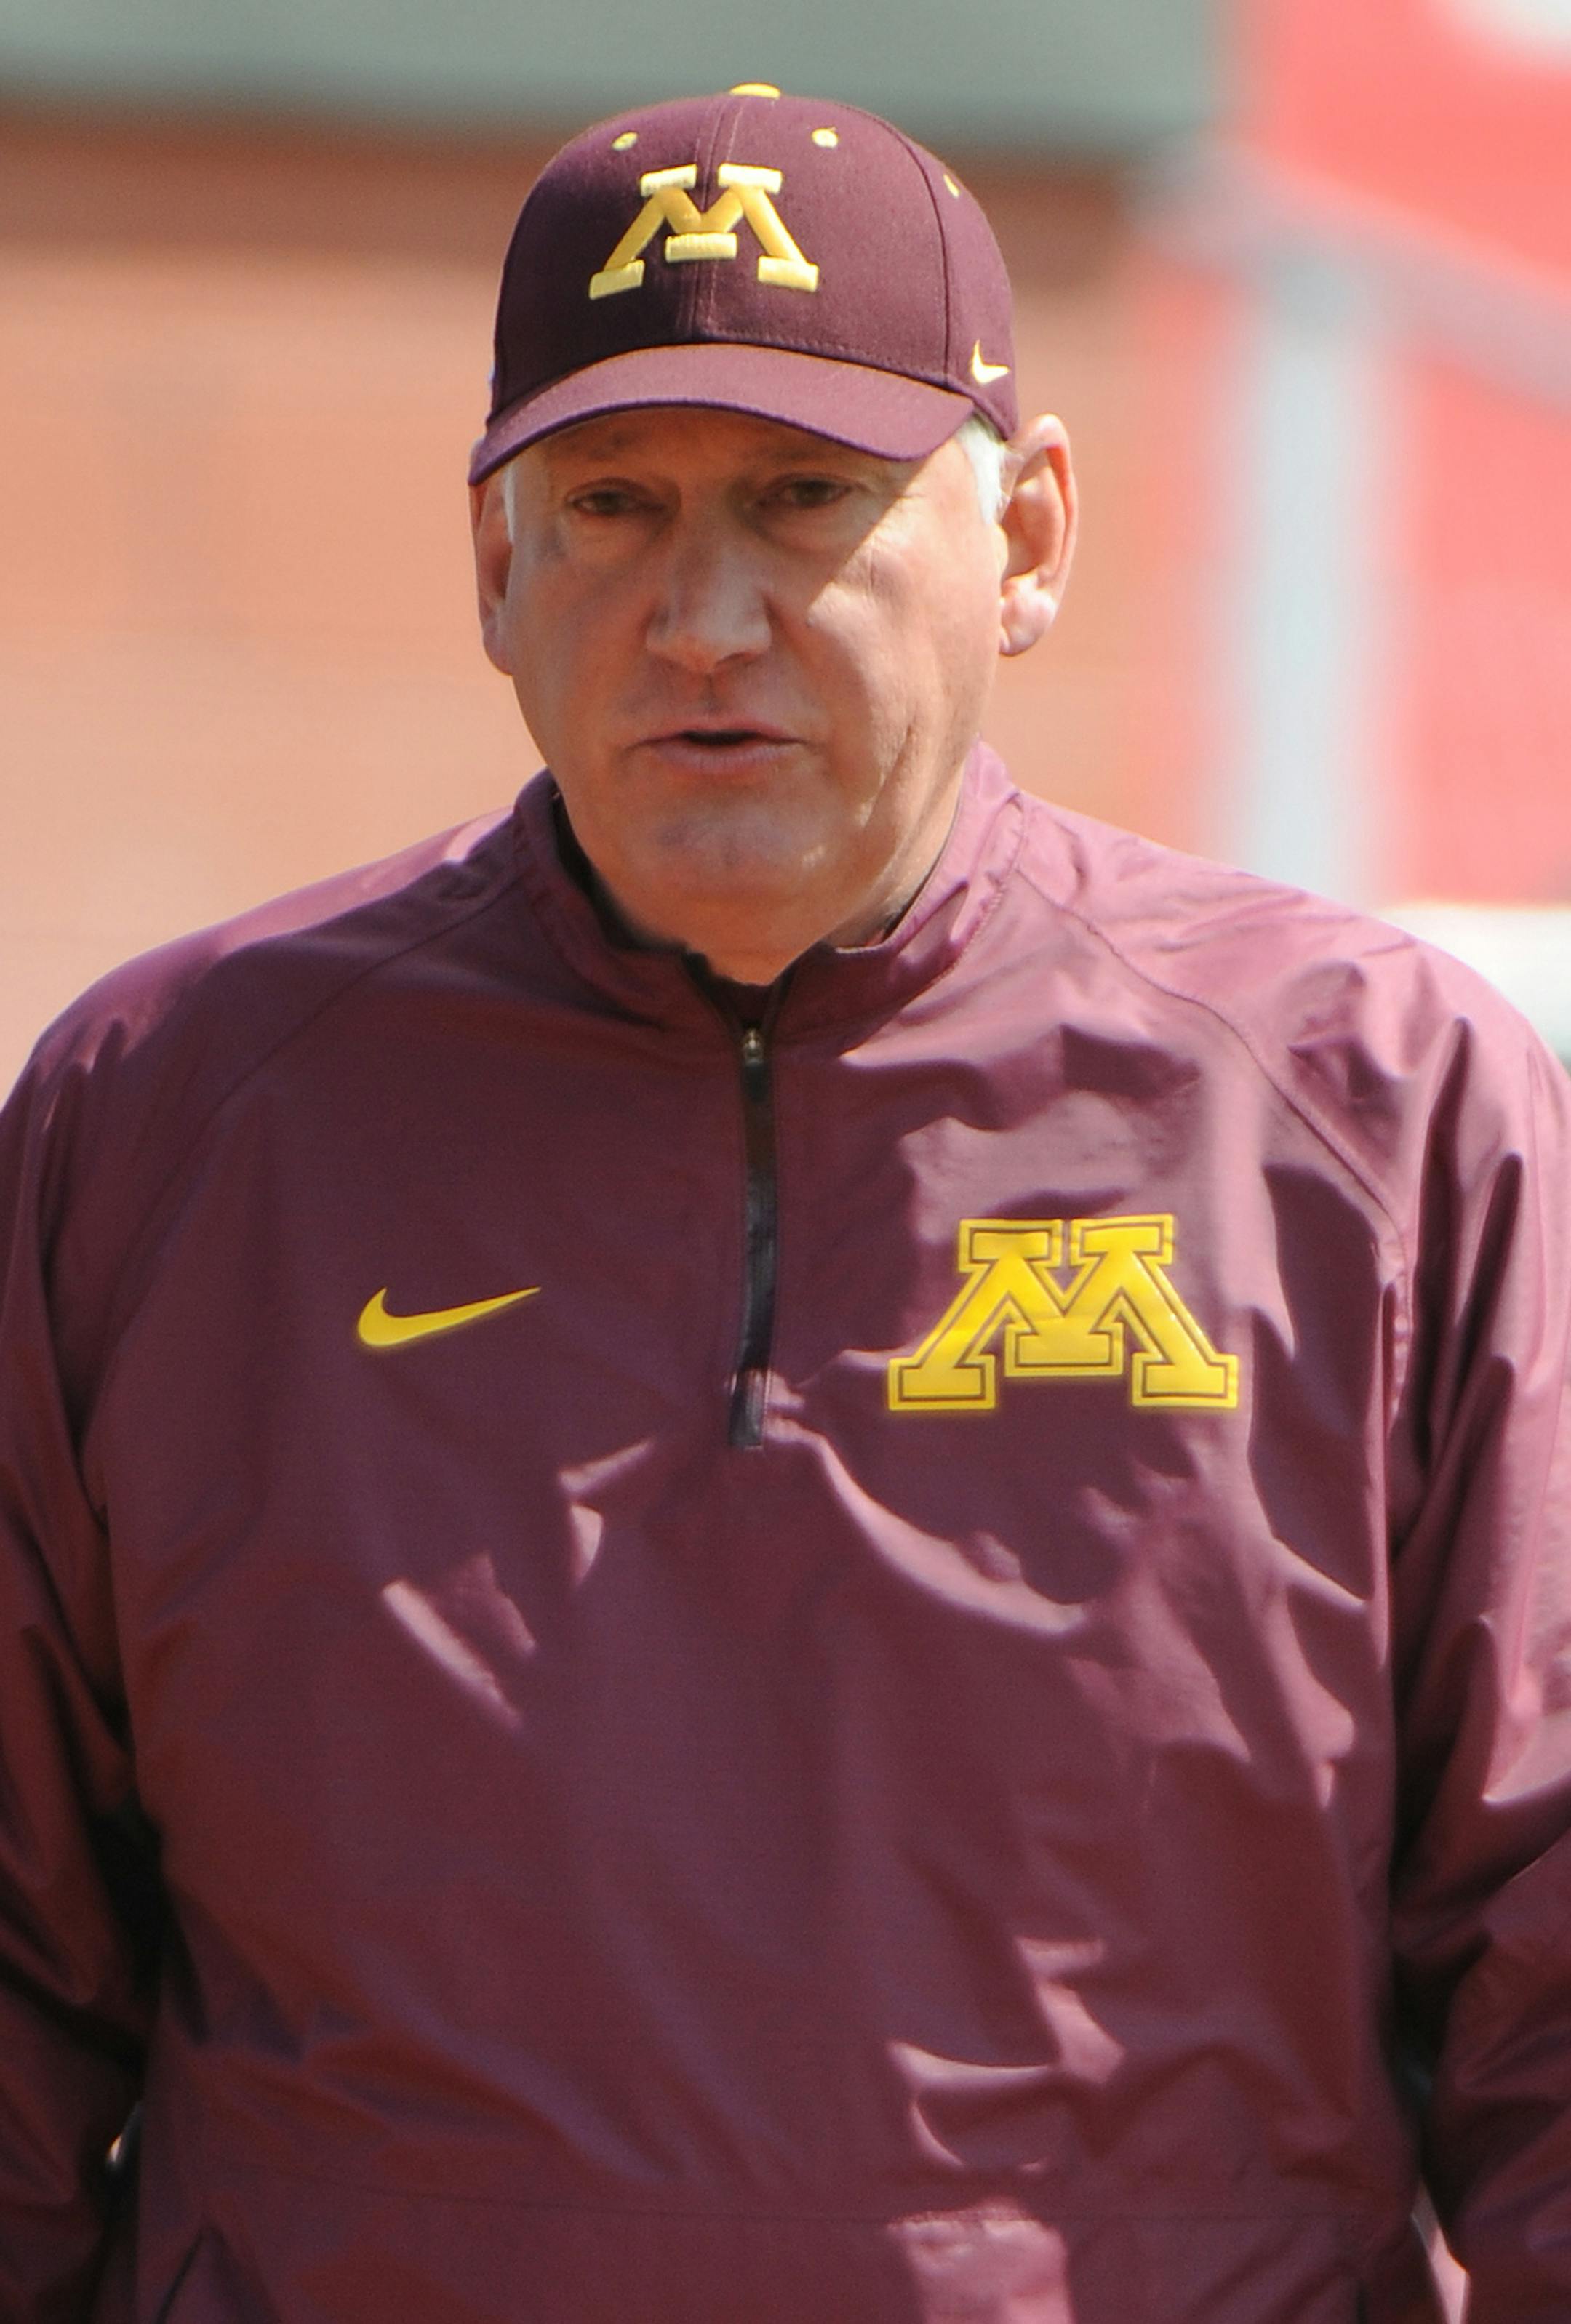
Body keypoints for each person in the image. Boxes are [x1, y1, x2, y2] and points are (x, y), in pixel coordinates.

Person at [0, 81, 1567, 2324]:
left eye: (809, 501)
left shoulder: (1371, 1109)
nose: (704, 613)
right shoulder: (167, 1124)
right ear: (491, 569)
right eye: (613, 506)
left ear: (1026, 536)